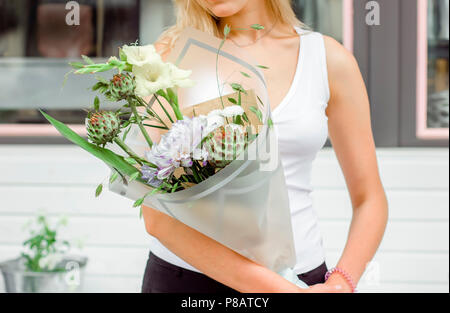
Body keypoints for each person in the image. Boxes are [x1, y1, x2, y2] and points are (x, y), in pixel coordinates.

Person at [141, 0, 388, 293]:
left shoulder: (326, 59)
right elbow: (157, 218)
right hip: (186, 282)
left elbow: (370, 200)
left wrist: (340, 284)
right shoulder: (168, 57)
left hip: (300, 278)